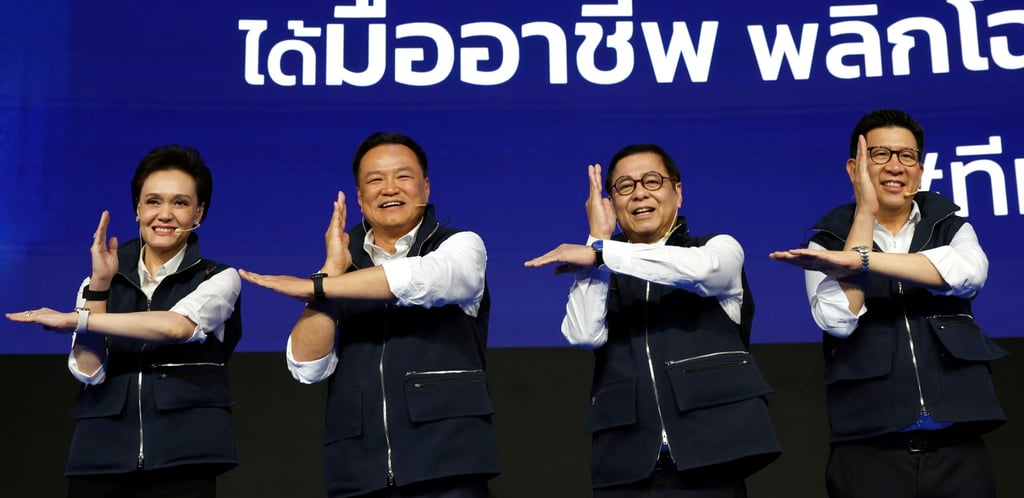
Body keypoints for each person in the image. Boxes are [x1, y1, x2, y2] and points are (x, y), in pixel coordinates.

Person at [239, 132, 498, 498]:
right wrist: (329, 272)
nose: (389, 188)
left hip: (448, 464)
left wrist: (318, 286)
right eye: (375, 180)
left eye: (403, 176)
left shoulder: (461, 245)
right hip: (358, 471)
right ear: (360, 198)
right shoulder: (339, 272)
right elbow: (307, 367)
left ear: (425, 187)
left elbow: (421, 279)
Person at [769, 109, 1007, 498]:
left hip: (958, 449)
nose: (895, 166)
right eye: (880, 155)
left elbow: (965, 275)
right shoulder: (826, 241)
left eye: (906, 156)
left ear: (920, 167)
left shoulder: (951, 225)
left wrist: (861, 262)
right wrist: (864, 212)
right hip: (869, 452)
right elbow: (839, 320)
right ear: (854, 167)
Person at [525, 144, 780, 497]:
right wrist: (597, 242)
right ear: (611, 204)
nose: (639, 192)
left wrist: (603, 251)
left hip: (711, 462)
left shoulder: (718, 248)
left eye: (652, 181)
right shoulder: (601, 263)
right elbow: (582, 334)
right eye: (624, 187)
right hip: (628, 465)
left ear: (678, 192)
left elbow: (704, 271)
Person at [6, 144, 243, 498]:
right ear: (137, 209)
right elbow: (89, 371)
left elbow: (175, 327)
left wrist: (79, 321)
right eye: (153, 201)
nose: (164, 214)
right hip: (100, 456)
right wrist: (100, 288)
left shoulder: (219, 278)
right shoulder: (97, 283)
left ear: (199, 213)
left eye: (180, 203)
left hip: (186, 456)